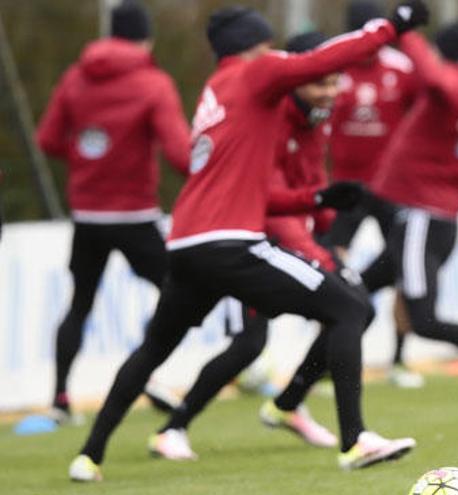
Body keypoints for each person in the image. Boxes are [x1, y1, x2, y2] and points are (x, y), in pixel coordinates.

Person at [67, 3, 429, 482]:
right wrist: (393, 25)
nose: (275, 51)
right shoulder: (255, 73)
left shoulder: (218, 90)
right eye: (266, 43)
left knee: (154, 347)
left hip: (187, 244)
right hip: (230, 243)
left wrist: (315, 196)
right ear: (253, 44)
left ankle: (88, 455)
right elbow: (322, 60)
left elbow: (249, 191)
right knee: (349, 306)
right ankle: (354, 439)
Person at [148, 31, 356, 461]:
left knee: (349, 308)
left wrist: (327, 234)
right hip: (242, 238)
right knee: (252, 342)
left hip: (277, 237)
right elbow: (265, 195)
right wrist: (316, 254)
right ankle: (175, 427)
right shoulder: (270, 113)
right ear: (296, 78)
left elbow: (312, 177)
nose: (331, 91)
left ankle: (288, 403)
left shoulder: (317, 114)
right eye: (322, 81)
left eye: (336, 82)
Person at [35, 0, 191, 423]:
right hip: (135, 214)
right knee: (180, 291)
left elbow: (48, 140)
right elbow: (181, 153)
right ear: (146, 37)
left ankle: (60, 400)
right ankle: (144, 372)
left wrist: (90, 157)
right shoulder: (153, 82)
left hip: (87, 215)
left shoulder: (74, 77)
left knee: (80, 304)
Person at [358, 21, 458, 371]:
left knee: (423, 320)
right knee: (355, 291)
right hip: (434, 218)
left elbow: (437, 80)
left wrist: (405, 32)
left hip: (422, 219)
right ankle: (321, 370)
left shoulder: (453, 84)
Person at [326, 0, 424, 388]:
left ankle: (399, 358)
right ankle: (326, 361)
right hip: (344, 188)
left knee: (404, 269)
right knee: (330, 269)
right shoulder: (331, 66)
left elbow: (423, 119)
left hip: (391, 189)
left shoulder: (401, 69)